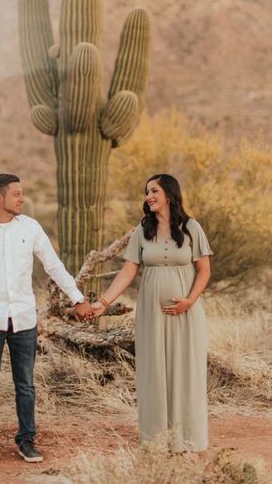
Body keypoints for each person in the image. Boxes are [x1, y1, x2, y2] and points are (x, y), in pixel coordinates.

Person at [0, 173, 93, 466]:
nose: (22, 198)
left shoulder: (30, 228)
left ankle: (27, 441)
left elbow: (53, 266)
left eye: (22, 194)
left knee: (26, 385)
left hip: (23, 319)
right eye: (16, 194)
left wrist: (78, 298)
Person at [91, 173, 213, 452]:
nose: (148, 196)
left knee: (186, 371)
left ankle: (188, 441)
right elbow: (128, 272)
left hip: (186, 313)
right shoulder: (141, 231)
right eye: (146, 192)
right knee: (154, 371)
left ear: (169, 194)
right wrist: (104, 303)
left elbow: (204, 271)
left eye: (154, 190)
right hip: (152, 315)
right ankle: (157, 442)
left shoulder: (192, 228)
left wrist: (189, 301)